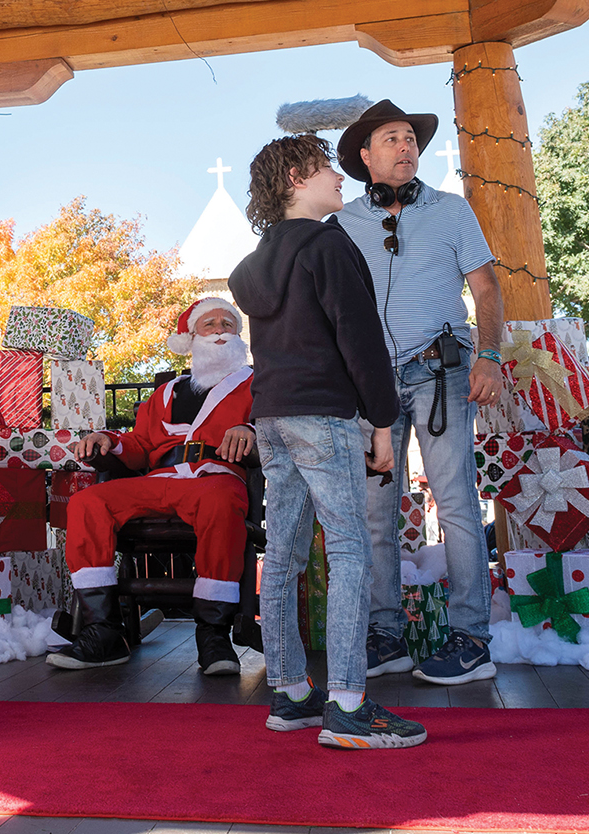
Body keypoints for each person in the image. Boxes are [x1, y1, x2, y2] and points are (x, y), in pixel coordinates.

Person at [232, 133, 420, 749]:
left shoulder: (258, 263)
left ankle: (289, 693)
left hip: (272, 417)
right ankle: (347, 703)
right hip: (323, 415)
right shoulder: (329, 246)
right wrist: (384, 421)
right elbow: (360, 340)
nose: (340, 177)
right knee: (348, 550)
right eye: (324, 169)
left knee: (281, 556)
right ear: (293, 178)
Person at [332, 101, 505, 686]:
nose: (405, 147)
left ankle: (471, 639)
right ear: (365, 156)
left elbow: (485, 286)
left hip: (442, 372)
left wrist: (489, 355)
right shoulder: (344, 221)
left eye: (411, 138)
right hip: (371, 386)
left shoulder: (453, 211)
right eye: (391, 138)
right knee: (374, 515)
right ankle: (386, 635)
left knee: (456, 503)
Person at [47, 297, 256, 677]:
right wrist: (108, 440)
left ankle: (213, 633)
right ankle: (104, 630)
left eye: (229, 323)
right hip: (159, 481)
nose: (221, 330)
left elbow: (276, 430)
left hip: (216, 478)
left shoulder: (255, 385)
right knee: (86, 502)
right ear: (191, 338)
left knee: (220, 504)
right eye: (210, 324)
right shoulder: (166, 393)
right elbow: (141, 445)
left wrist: (252, 429)